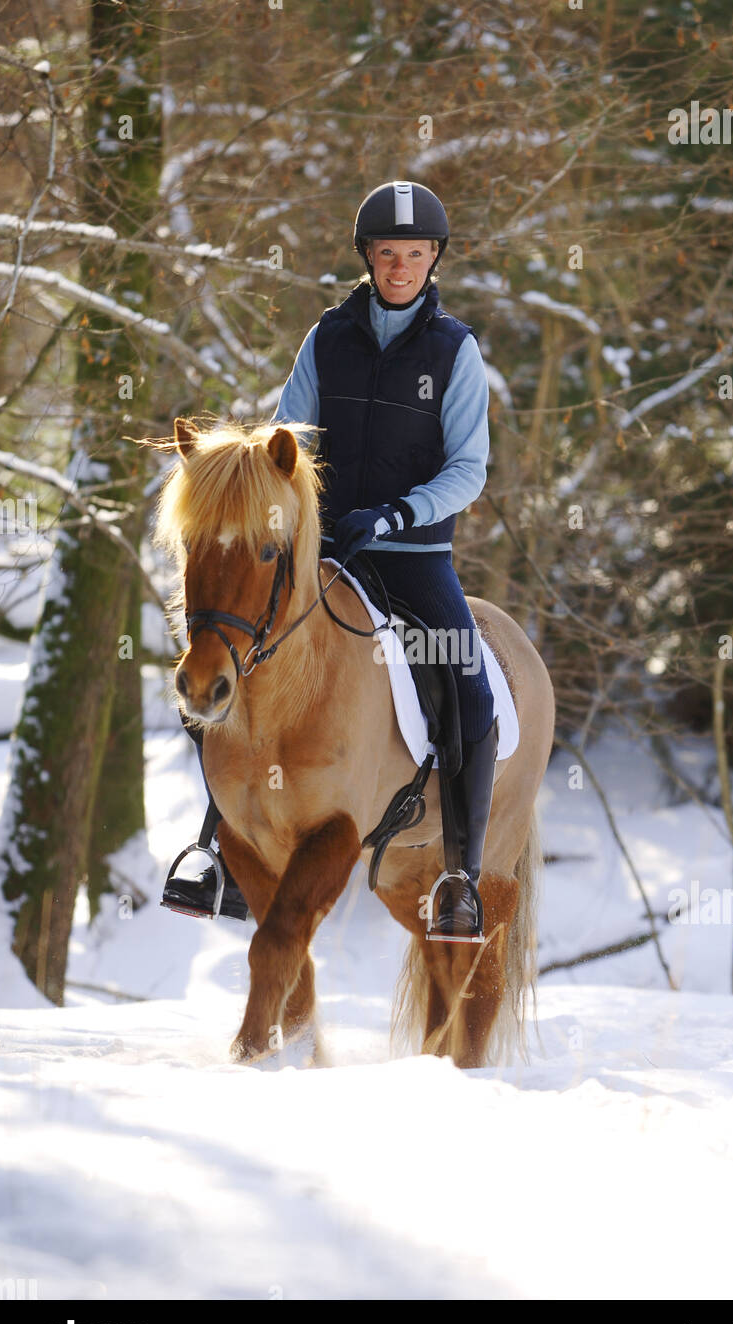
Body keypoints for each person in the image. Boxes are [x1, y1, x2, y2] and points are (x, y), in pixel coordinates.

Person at [162, 180, 497, 941]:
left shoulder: (455, 352)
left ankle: (461, 874)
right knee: (222, 662)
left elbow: (468, 469)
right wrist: (287, 499)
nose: (401, 266)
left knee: (468, 691)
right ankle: (221, 848)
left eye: (415, 254)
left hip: (410, 555)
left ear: (433, 258)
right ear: (367, 258)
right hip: (325, 549)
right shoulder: (326, 337)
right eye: (388, 254)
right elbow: (292, 437)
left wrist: (397, 512)